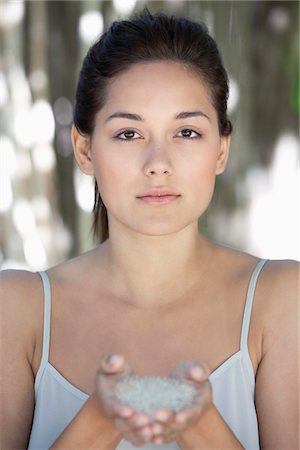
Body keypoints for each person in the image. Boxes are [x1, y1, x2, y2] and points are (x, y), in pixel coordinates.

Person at [0, 9, 297, 450]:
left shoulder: (282, 299)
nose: (158, 162)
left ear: (221, 150)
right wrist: (99, 420)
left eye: (188, 132)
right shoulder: (17, 310)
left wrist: (200, 423)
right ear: (84, 150)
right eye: (128, 134)